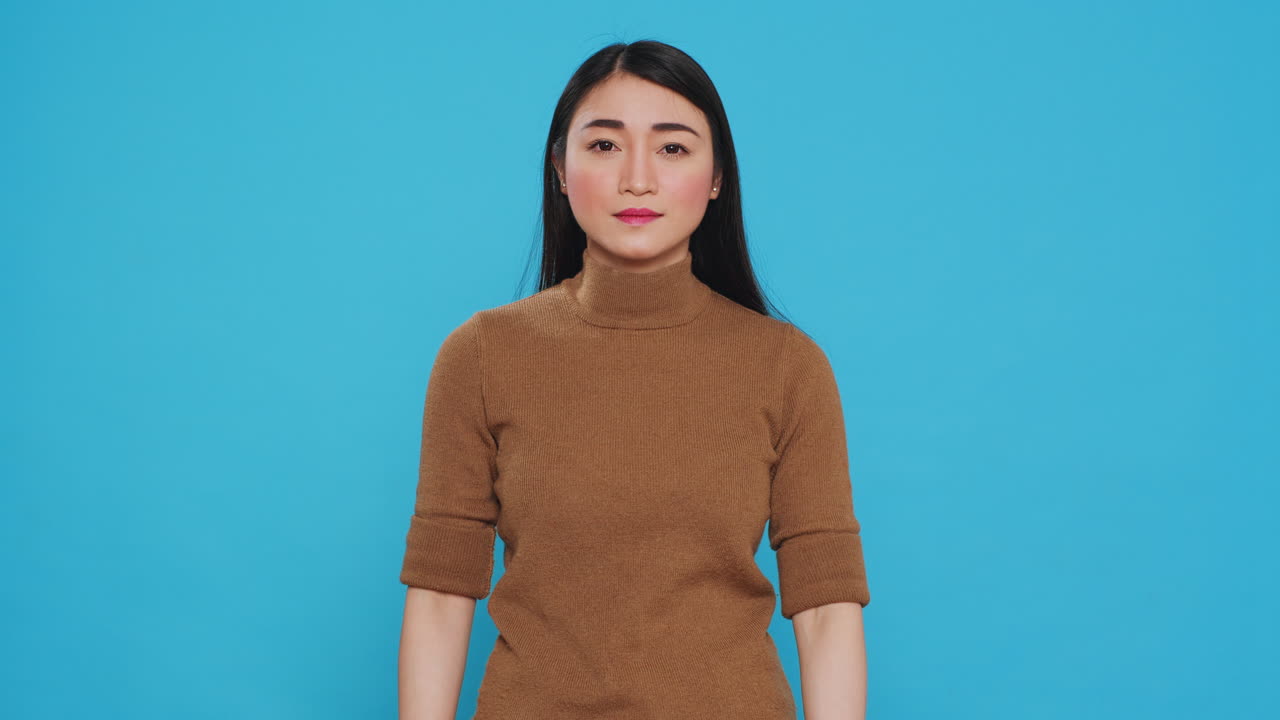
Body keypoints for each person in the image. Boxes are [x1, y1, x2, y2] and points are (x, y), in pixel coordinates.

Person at [397, 39, 870, 720]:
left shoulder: (789, 367)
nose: (637, 179)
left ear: (717, 177)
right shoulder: (480, 356)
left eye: (672, 147)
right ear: (560, 170)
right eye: (604, 145)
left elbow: (827, 609)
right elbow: (441, 596)